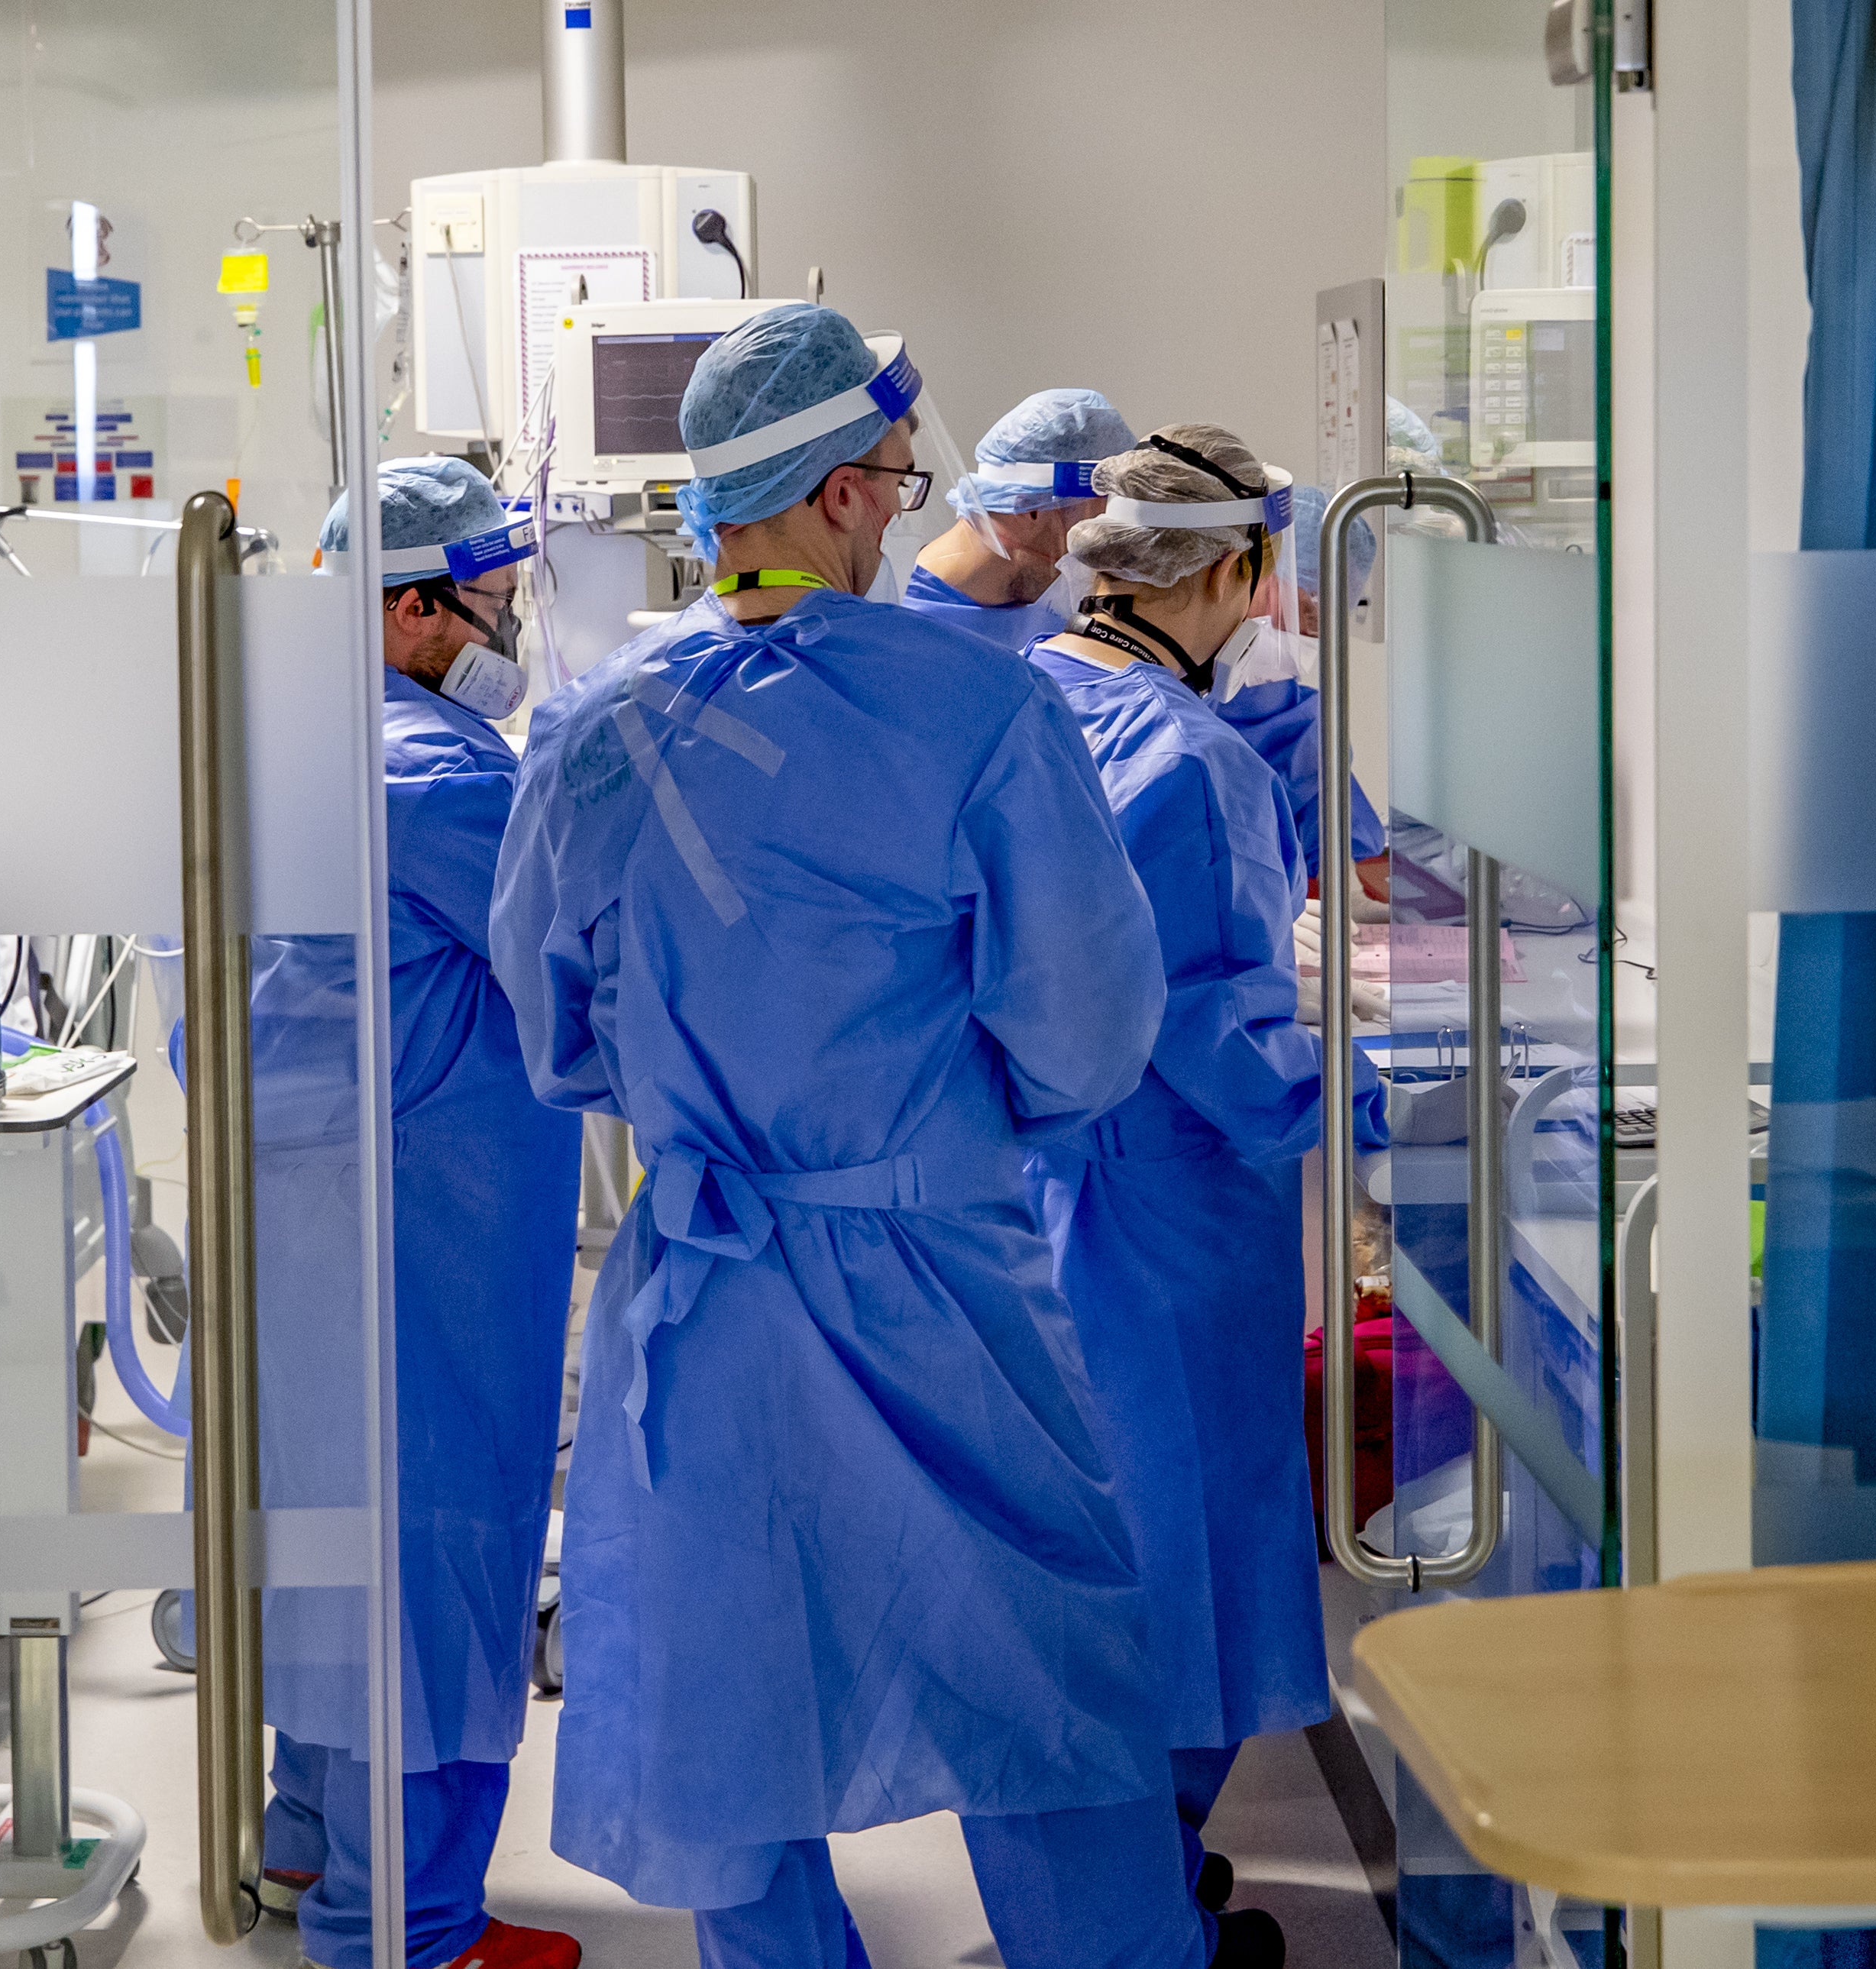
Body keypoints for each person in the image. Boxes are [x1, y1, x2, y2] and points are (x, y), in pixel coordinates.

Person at [489, 303, 1240, 1969]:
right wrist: (924, 1130)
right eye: (899, 482)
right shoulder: (972, 715)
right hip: (939, 1284)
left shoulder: (593, 727)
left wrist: (727, 1092)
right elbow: (1088, 1031)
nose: (906, 507)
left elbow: (558, 1043)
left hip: (703, 1295)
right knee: (1047, 1700)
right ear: (838, 492)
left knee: (730, 1729)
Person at [1023, 425, 1392, 1948]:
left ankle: (1128, 1892)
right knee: (1172, 1576)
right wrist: (1380, 1095)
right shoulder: (1192, 767)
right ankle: (1142, 1916)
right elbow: (1220, 1045)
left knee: (1092, 1562)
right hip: (1162, 1227)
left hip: (1038, 1202)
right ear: (1236, 570)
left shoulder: (1032, 701)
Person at [254, 459, 587, 1969]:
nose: (508, 630)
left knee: (330, 1545)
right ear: (409, 609)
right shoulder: (442, 777)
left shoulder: (282, 748)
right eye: (496, 605)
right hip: (423, 1228)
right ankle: (406, 1927)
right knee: (433, 1556)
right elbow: (580, 952)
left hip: (311, 1215)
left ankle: (303, 1848)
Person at [1208, 483, 1389, 907]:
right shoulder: (1164, 695)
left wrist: (1343, 895)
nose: (1303, 635)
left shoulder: (1300, 718)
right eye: (1301, 608)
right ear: (1245, 574)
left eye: (1319, 620)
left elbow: (1327, 854)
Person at [901, 386, 1136, 651]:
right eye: (1093, 525)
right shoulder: (895, 620)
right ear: (1029, 509)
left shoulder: (1054, 614)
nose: (1096, 555)